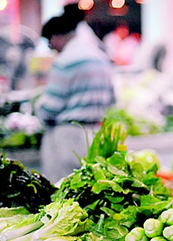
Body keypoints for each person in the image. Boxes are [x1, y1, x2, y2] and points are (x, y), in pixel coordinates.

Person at [36, 14, 115, 183]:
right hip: (94, 135)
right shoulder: (101, 57)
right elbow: (113, 98)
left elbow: (49, 108)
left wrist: (37, 107)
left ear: (56, 37)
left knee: (62, 192)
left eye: (49, 42)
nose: (51, 48)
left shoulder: (64, 62)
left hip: (66, 138)